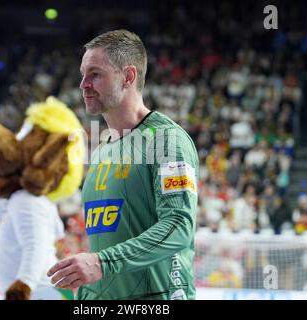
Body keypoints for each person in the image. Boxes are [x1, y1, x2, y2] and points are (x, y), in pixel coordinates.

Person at [48, 29, 199, 300]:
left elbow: (178, 226)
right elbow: (106, 240)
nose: (83, 84)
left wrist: (102, 263)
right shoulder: (104, 148)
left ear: (128, 77)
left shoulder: (166, 139)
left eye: (95, 74)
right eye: (83, 74)